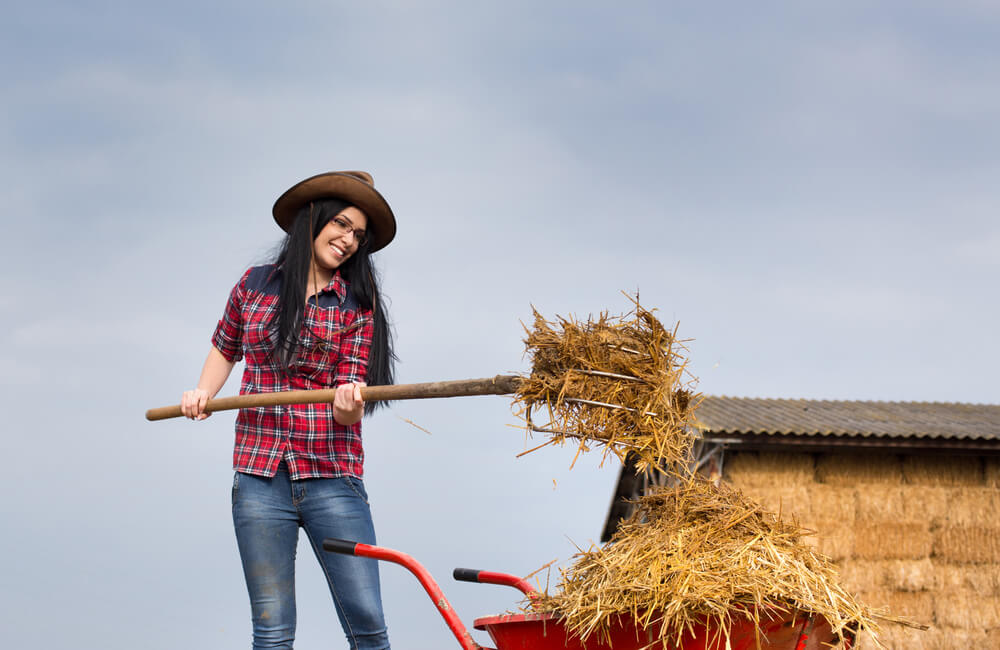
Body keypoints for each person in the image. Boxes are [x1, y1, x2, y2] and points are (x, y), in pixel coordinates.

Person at [180, 171, 397, 650]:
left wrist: (347, 404)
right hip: (258, 478)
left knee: (367, 623)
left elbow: (350, 399)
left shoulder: (357, 304)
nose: (348, 240)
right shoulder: (255, 285)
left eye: (358, 235)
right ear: (313, 220)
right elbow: (225, 347)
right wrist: (201, 392)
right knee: (272, 631)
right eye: (341, 224)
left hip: (331, 477)